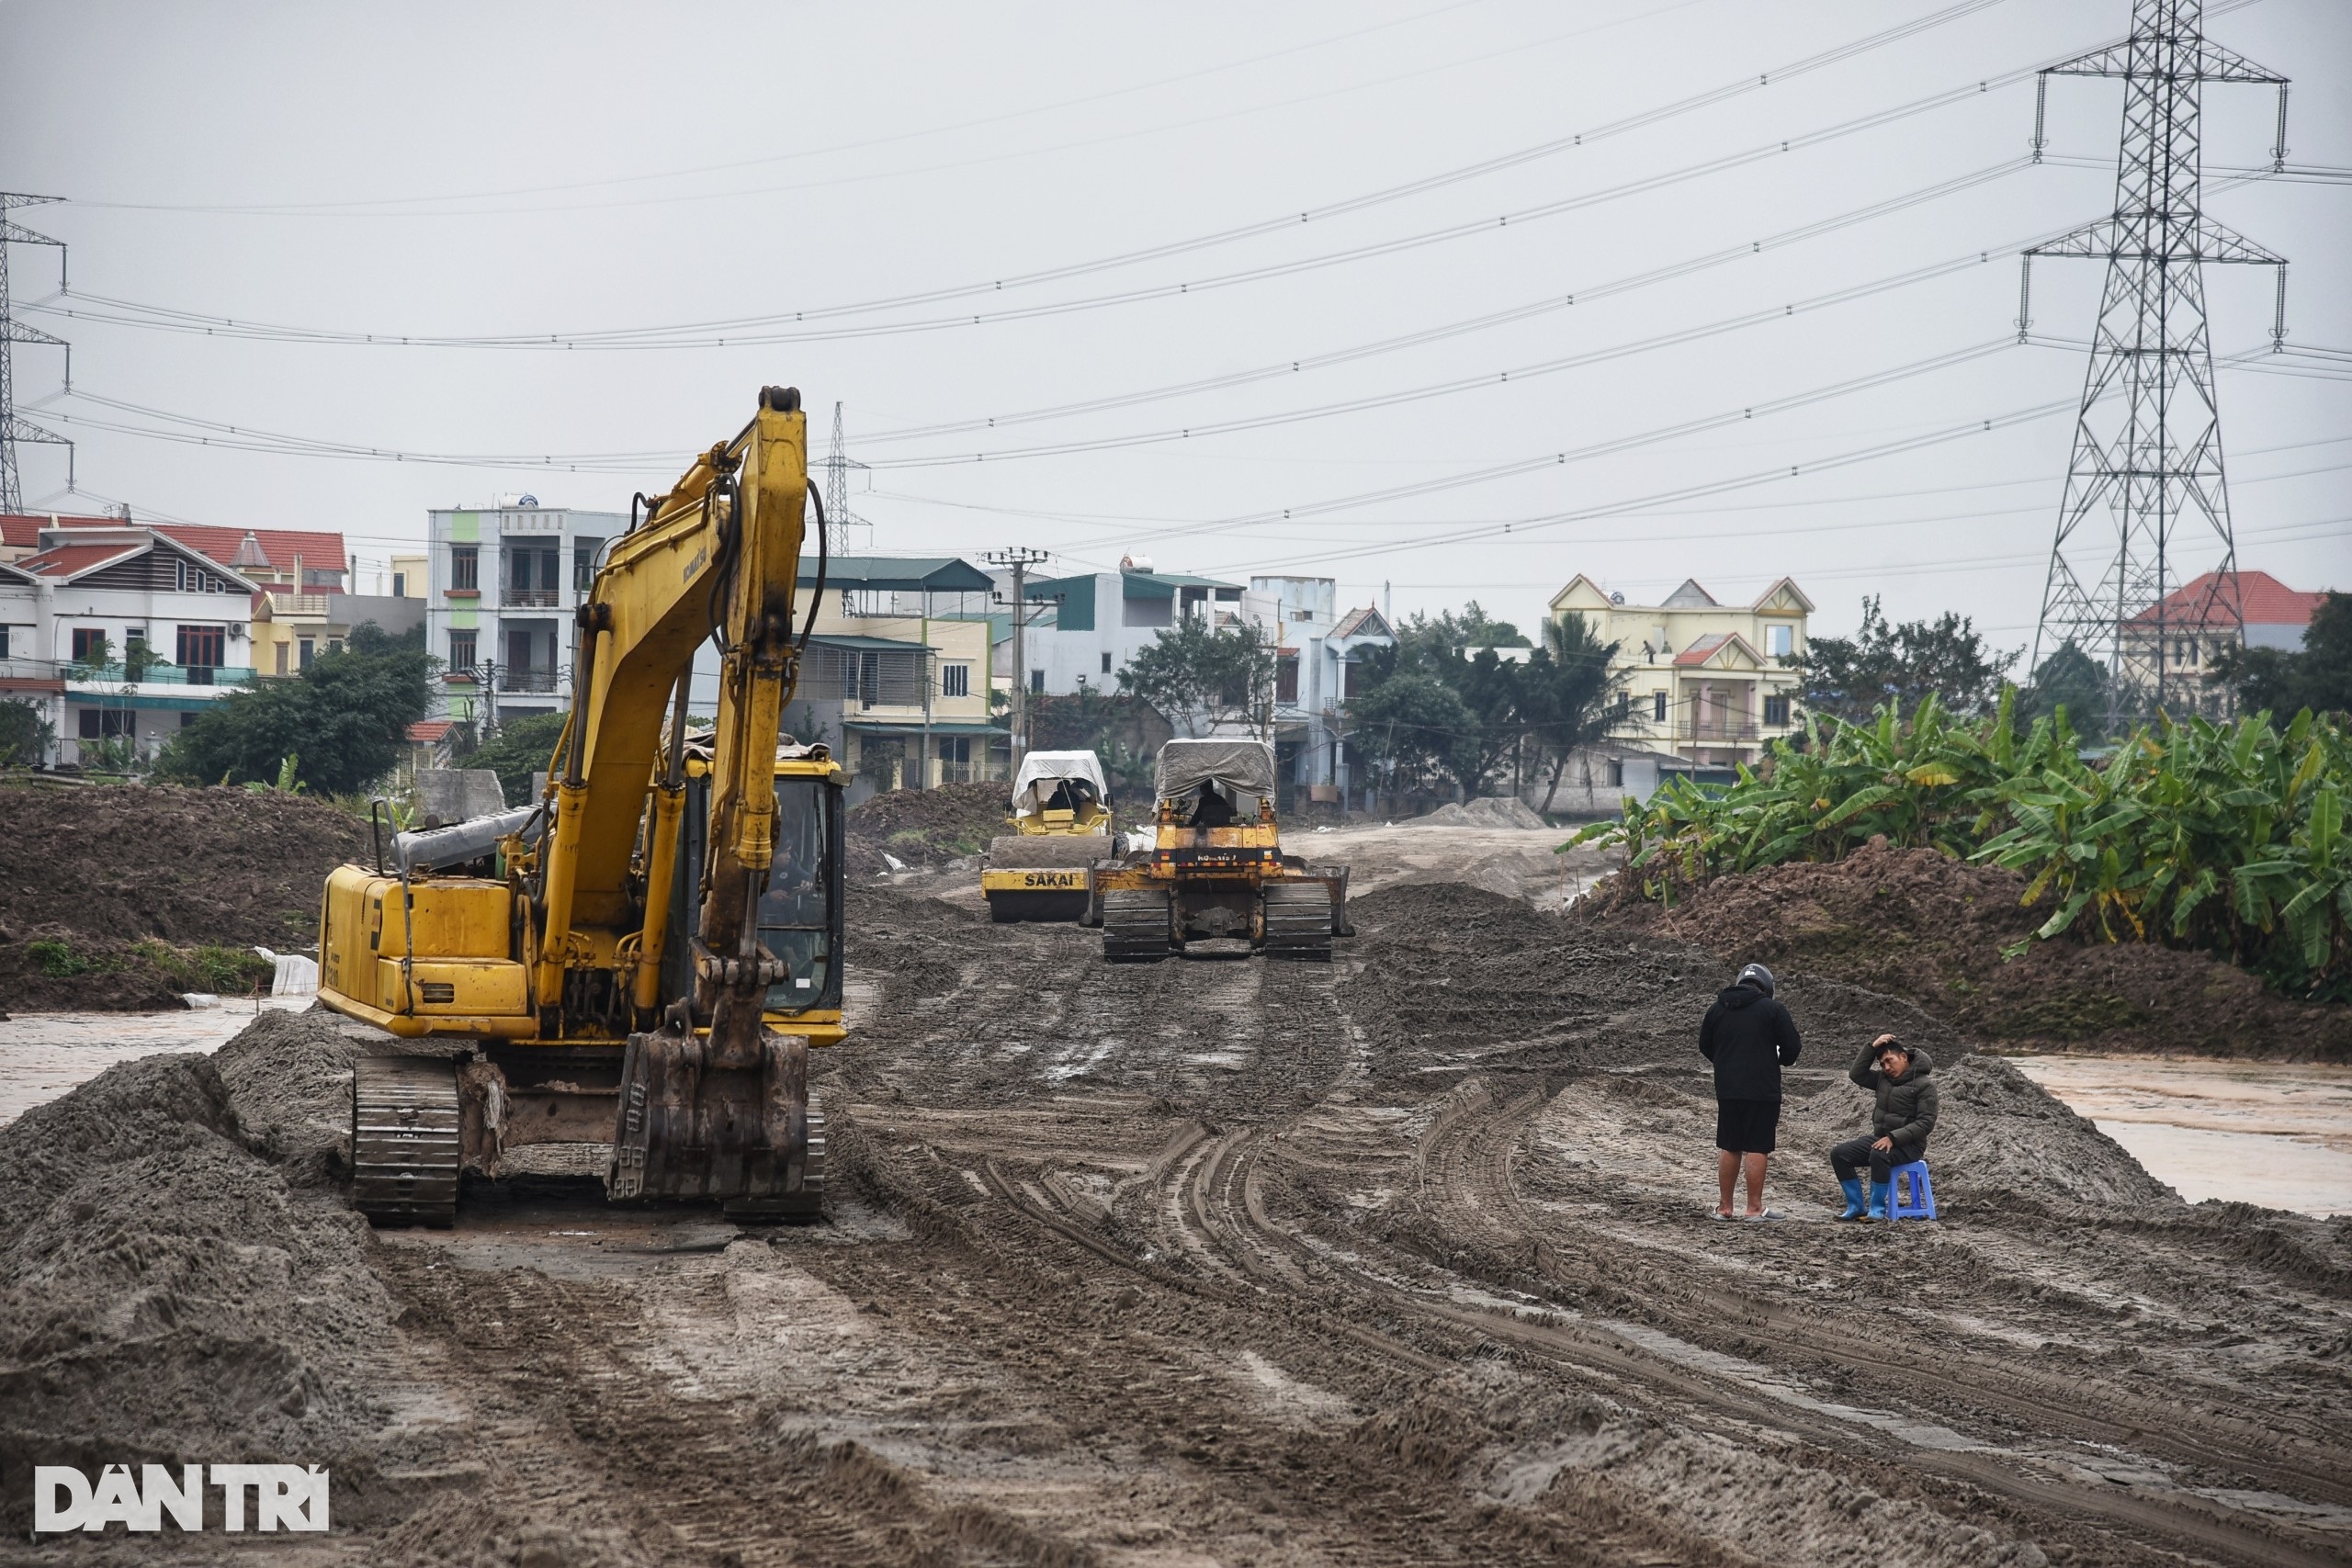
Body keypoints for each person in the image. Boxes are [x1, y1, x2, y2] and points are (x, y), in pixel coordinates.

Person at [1698, 962, 1802, 1220]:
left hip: (1728, 1088)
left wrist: (1725, 1062)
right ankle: (1754, 1208)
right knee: (1757, 1146)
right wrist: (1776, 1058)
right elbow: (1792, 1049)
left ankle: (1724, 1208)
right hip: (1762, 1088)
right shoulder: (1773, 1009)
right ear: (1766, 986)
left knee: (1730, 1145)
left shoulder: (1717, 1009)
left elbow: (1704, 1045)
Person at [1830, 1033, 1940, 1220]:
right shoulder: (1883, 1079)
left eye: (1890, 1061)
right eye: (1882, 1064)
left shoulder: (1925, 1085)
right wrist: (1872, 1047)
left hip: (1910, 1145)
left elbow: (1926, 1122)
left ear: (1904, 1057)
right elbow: (1856, 1074)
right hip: (1881, 1139)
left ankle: (1877, 1210)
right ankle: (1856, 1206)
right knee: (1839, 1154)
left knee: (1879, 1154)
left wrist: (1893, 1138)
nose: (1887, 1067)